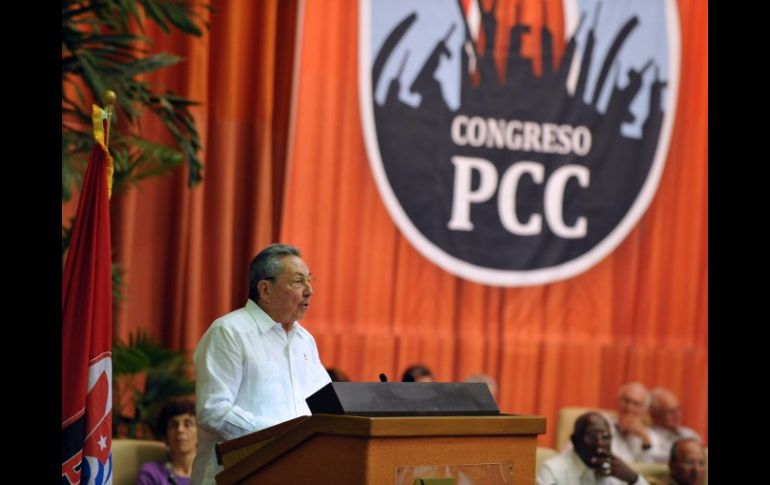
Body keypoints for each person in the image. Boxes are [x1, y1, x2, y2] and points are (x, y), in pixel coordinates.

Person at [191, 244, 331, 485]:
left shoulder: (305, 340)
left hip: (296, 470)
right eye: (298, 282)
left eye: (309, 280)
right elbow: (213, 411)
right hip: (238, 473)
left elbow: (326, 404)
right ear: (265, 289)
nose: (309, 290)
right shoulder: (229, 332)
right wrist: (283, 436)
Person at [537, 412, 649, 485]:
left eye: (605, 437)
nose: (600, 443)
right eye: (592, 437)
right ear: (575, 441)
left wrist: (633, 478)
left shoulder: (615, 471)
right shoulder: (553, 470)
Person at [137, 399, 197, 485]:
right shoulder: (151, 473)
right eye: (174, 425)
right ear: (165, 435)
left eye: (187, 424)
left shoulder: (212, 472)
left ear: (200, 433)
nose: (180, 430)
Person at [648, 388, 702, 463]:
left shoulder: (690, 434)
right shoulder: (648, 436)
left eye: (678, 409)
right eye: (671, 411)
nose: (677, 415)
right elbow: (651, 460)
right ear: (654, 415)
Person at [610, 382, 658, 463]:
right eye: (626, 401)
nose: (629, 408)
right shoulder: (603, 426)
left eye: (636, 404)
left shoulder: (651, 437)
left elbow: (649, 468)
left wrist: (645, 439)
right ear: (617, 402)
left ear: (644, 410)